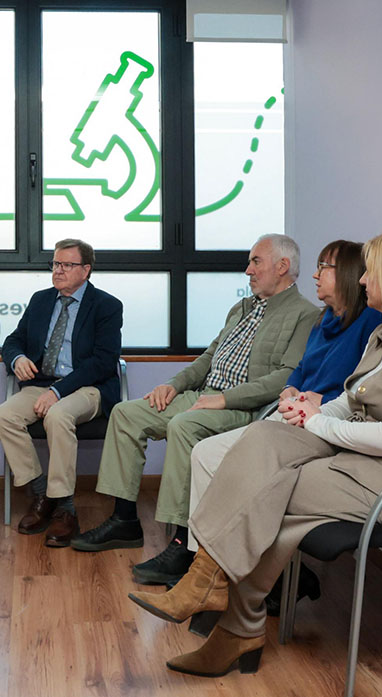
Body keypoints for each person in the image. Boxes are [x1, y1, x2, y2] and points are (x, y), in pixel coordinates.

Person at [130, 225, 382, 678]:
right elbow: (350, 400)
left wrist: (318, 423)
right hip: (370, 468)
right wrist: (306, 412)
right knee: (262, 438)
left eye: (371, 271)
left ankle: (216, 594)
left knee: (267, 490)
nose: (363, 280)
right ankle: (224, 606)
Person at [72, 235, 320, 578]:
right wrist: (174, 385)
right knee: (126, 413)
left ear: (282, 266)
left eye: (255, 262)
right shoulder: (243, 308)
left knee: (184, 426)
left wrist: (224, 399)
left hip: (243, 408)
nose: (248, 270)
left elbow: (285, 378)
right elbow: (208, 358)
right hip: (205, 394)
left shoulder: (306, 315)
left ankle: (183, 543)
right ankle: (124, 520)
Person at [171, 240, 382, 612]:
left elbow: (358, 389)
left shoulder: (371, 324)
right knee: (205, 454)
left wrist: (316, 401)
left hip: (322, 424)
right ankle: (206, 570)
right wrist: (290, 389)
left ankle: (237, 576)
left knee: (237, 469)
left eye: (324, 267)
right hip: (291, 412)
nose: (315, 275)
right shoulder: (323, 320)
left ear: (349, 274)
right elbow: (300, 369)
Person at [0, 238, 123, 547]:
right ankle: (42, 494)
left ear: (86, 270)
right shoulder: (41, 300)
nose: (58, 270)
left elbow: (103, 362)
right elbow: (13, 340)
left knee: (58, 414)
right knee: (3, 415)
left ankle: (65, 508)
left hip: (86, 388)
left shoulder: (106, 306)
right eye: (55, 263)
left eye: (67, 265)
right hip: (42, 383)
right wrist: (17, 358)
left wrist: (58, 391)